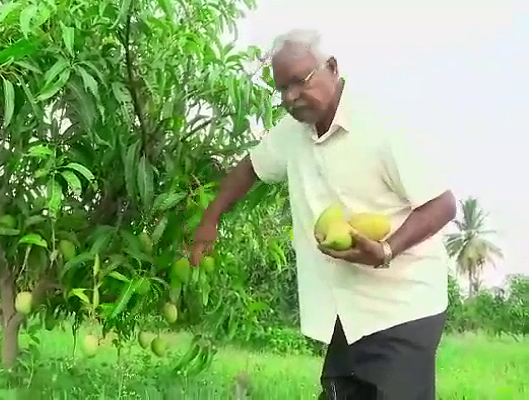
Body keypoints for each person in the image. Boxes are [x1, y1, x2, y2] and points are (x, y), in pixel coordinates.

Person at [190, 29, 457, 400]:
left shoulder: (381, 126)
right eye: (281, 89)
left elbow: (442, 204)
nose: (290, 98)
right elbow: (250, 168)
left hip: (402, 305)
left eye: (299, 82)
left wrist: (386, 251)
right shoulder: (292, 131)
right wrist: (210, 218)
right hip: (346, 311)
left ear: (331, 67)